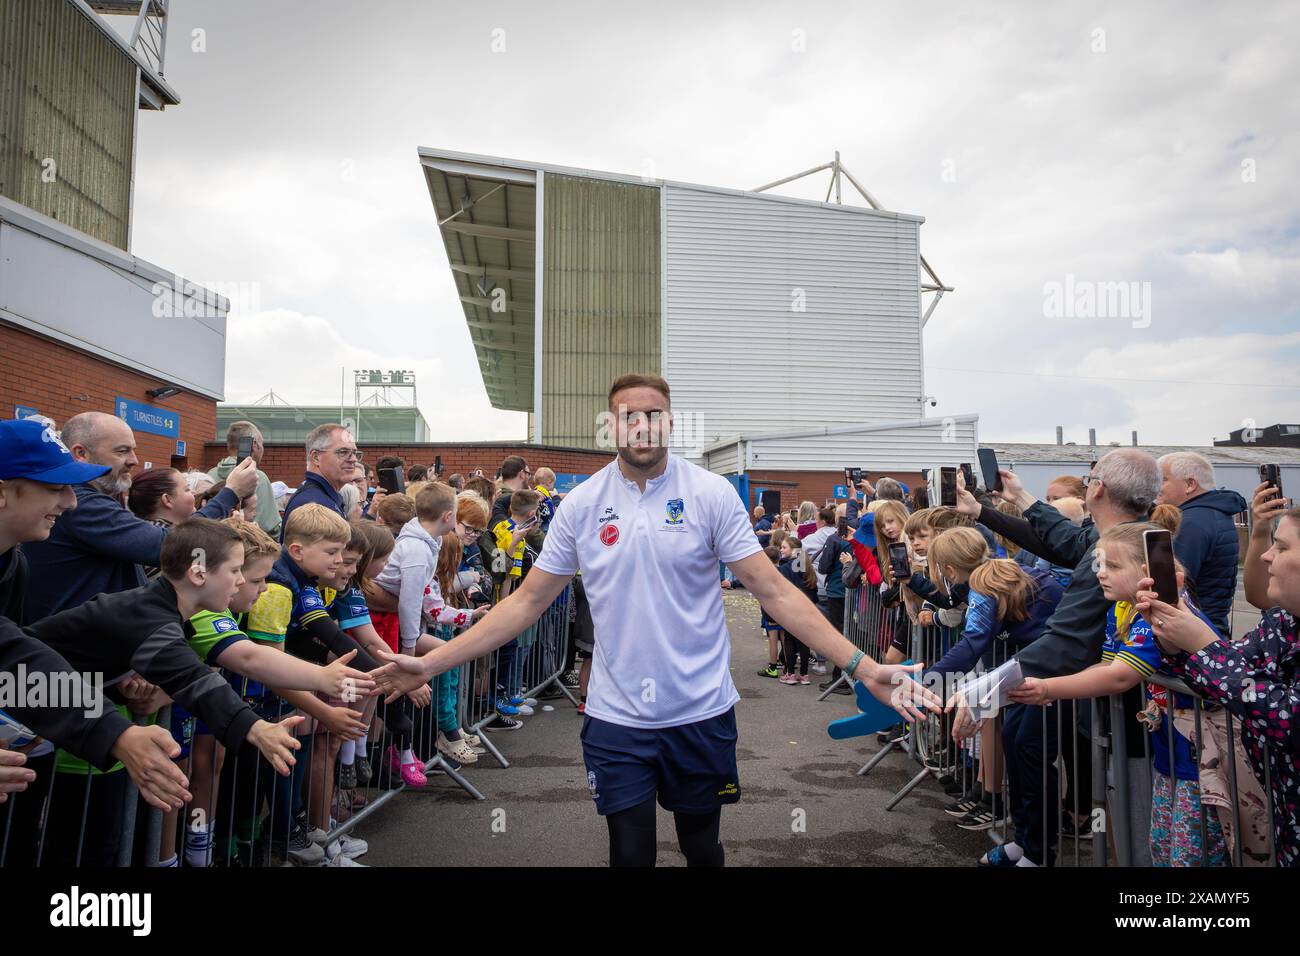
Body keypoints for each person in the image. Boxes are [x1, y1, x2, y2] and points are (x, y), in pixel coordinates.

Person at [375, 373, 938, 867]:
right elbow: (524, 604)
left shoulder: (711, 494)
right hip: (617, 717)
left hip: (700, 711)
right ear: (611, 427)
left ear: (670, 424)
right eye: (628, 417)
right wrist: (430, 663)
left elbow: (774, 591)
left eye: (653, 415)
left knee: (701, 848)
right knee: (630, 850)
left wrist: (861, 666)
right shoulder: (581, 505)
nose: (641, 427)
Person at [22, 518, 305, 865]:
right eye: (235, 570)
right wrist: (255, 727)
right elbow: (196, 681)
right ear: (199, 573)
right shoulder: (151, 616)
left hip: (34, 724)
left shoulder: (157, 607)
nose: (242, 580)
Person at [1012, 517, 1226, 867]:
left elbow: (1120, 678)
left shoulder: (1159, 612)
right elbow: (1106, 665)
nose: (1100, 573)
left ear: (1146, 570)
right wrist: (1057, 687)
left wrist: (1049, 687)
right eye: (1099, 564)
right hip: (1171, 749)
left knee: (1189, 854)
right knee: (1162, 844)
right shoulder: (1123, 607)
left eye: (1111, 565)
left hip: (1202, 754)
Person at [1137, 503, 1300, 867]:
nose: (1268, 556)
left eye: (1283, 547)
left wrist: (1203, 646)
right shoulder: (1281, 623)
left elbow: (1289, 717)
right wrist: (1174, 640)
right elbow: (1223, 675)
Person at [22, 411, 258, 621]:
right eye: (122, 451)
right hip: (78, 659)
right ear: (81, 453)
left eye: (133, 450)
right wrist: (230, 493)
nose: (134, 460)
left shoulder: (101, 497)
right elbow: (168, 546)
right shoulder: (83, 504)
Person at [1155, 452, 1248, 637]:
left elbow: (1169, 588)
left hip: (1191, 634)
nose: (1156, 487)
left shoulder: (1191, 522)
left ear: (1190, 484)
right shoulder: (1212, 513)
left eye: (1163, 480)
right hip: (1208, 626)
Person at [281, 422, 361, 529]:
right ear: (316, 457)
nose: (353, 459)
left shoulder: (324, 497)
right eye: (343, 452)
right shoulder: (311, 506)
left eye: (354, 452)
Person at [208, 421, 281, 536]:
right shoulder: (257, 477)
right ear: (254, 445)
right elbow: (270, 529)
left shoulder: (209, 475)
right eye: (262, 444)